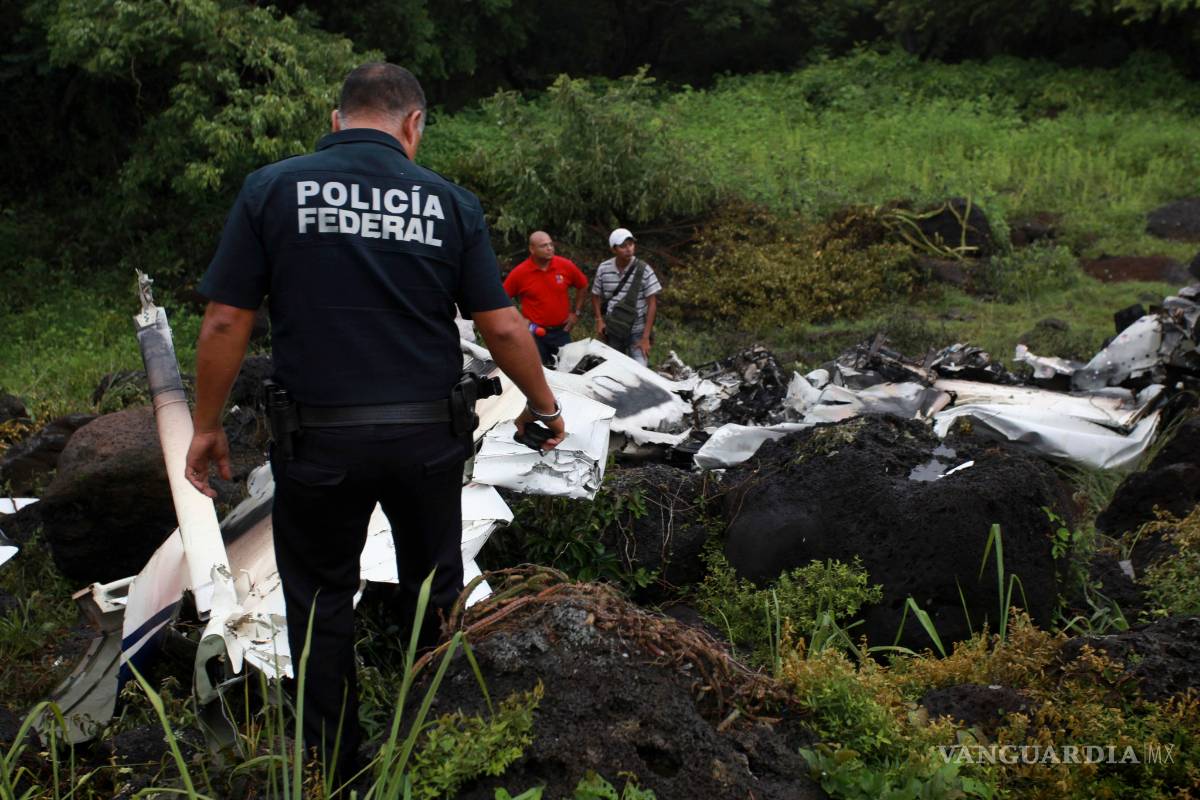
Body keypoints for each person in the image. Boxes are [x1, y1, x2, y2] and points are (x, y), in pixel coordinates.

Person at [183, 62, 564, 780]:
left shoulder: (271, 189)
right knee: (435, 595)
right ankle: (442, 752)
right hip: (426, 442)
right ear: (414, 124)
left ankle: (338, 771)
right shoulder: (451, 203)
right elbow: (505, 326)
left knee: (321, 602)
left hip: (317, 442)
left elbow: (227, 317)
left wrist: (207, 426)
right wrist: (545, 407)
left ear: (336, 120)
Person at [503, 231, 589, 366]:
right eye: (544, 246)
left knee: (568, 370)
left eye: (550, 244)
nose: (550, 248)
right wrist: (518, 320)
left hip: (562, 331)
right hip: (534, 333)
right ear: (532, 249)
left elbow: (583, 285)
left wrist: (576, 313)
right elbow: (502, 299)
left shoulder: (564, 265)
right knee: (538, 372)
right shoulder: (520, 273)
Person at [591, 227, 662, 366]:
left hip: (637, 332)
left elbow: (652, 304)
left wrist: (646, 337)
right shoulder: (604, 268)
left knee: (640, 374)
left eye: (631, 244)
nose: (628, 249)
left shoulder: (644, 269)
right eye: (623, 246)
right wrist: (599, 320)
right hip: (613, 331)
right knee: (614, 372)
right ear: (613, 249)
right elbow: (595, 295)